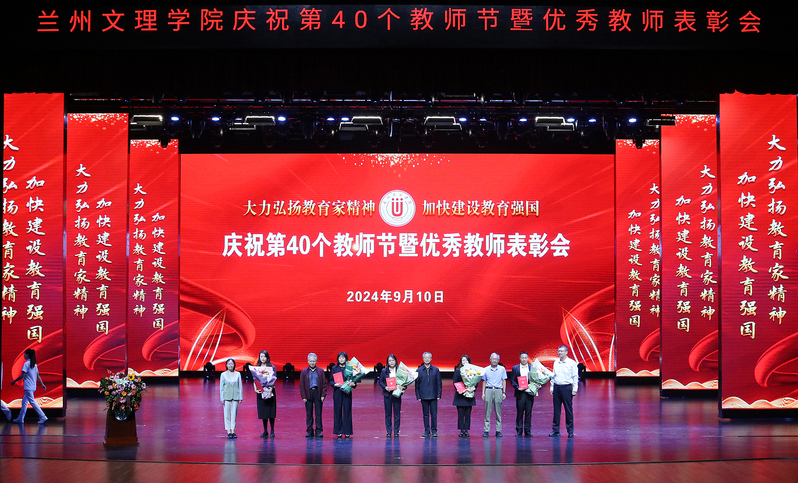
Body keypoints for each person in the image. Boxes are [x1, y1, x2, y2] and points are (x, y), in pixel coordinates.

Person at [10, 349, 48, 424]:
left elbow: (23, 375)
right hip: (33, 386)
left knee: (32, 402)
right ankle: (20, 418)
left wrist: (14, 381)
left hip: (28, 386)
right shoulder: (34, 364)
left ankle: (43, 416)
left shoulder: (26, 364)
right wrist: (42, 384)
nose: (24, 355)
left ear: (27, 355)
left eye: (25, 354)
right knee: (24, 402)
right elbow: (38, 376)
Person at [549, 345, 579, 438]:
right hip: (557, 387)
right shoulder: (556, 362)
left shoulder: (572, 363)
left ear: (566, 352)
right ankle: (556, 431)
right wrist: (552, 387)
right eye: (559, 351)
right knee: (556, 410)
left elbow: (575, 376)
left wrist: (575, 389)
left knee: (568, 410)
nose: (560, 353)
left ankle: (570, 431)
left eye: (562, 351)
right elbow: (554, 375)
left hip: (566, 388)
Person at [299, 352, 327, 438]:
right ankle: (309, 430)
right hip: (308, 393)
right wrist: (303, 396)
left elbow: (324, 384)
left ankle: (318, 430)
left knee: (318, 413)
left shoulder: (320, 371)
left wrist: (323, 395)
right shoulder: (304, 372)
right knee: (309, 413)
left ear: (316, 361)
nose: (312, 363)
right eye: (311, 361)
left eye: (314, 361)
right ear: (308, 361)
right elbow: (302, 385)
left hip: (318, 392)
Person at [378, 354, 406, 437]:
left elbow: (404, 382)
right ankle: (389, 431)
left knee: (397, 414)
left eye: (393, 360)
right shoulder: (384, 371)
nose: (391, 362)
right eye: (390, 360)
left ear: (395, 361)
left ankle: (396, 431)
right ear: (387, 362)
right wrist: (385, 387)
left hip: (397, 394)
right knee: (388, 414)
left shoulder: (400, 371)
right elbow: (381, 381)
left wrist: (403, 387)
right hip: (388, 394)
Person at [415, 351, 441, 437]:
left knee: (434, 415)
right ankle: (427, 431)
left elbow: (439, 383)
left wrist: (438, 395)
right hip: (423, 396)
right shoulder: (419, 371)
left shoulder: (436, 370)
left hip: (434, 395)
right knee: (425, 415)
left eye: (428, 357)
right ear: (423, 359)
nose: (427, 359)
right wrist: (418, 396)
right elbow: (417, 385)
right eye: (425, 358)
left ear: (431, 359)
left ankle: (434, 431)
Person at [330, 351, 355, 438]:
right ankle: (339, 431)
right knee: (337, 411)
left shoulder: (350, 368)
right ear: (337, 359)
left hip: (347, 392)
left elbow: (354, 380)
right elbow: (330, 380)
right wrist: (335, 384)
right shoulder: (334, 368)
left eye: (343, 358)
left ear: (346, 359)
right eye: (340, 358)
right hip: (338, 392)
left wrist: (353, 384)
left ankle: (347, 431)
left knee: (347, 411)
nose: (341, 359)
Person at [510, 351, 535, 437]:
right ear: (520, 358)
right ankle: (519, 430)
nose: (524, 359)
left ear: (527, 358)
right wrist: (517, 387)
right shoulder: (515, 368)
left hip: (529, 393)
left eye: (525, 358)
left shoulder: (532, 368)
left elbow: (535, 380)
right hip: (520, 393)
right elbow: (512, 380)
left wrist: (537, 386)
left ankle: (528, 430)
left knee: (528, 413)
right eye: (522, 357)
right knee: (519, 412)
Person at [481, 352, 507, 437]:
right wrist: (483, 393)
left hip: (498, 390)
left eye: (496, 359)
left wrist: (504, 392)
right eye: (493, 359)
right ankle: (486, 430)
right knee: (487, 411)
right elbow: (484, 381)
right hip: (488, 390)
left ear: (498, 360)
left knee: (498, 411)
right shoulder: (486, 369)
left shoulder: (502, 369)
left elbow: (504, 380)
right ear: (490, 359)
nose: (494, 360)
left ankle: (498, 430)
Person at [253, 350, 277, 438]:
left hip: (270, 391)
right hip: (261, 391)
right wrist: (256, 388)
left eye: (264, 356)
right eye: (261, 356)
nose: (263, 358)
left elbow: (274, 378)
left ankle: (272, 430)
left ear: (267, 357)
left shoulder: (272, 367)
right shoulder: (257, 368)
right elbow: (255, 379)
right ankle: (265, 430)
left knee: (271, 411)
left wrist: (270, 390)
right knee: (263, 412)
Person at [453, 355, 476, 437]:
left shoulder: (472, 371)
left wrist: (473, 388)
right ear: (461, 362)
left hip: (469, 395)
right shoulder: (458, 370)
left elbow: (475, 382)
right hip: (460, 395)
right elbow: (455, 382)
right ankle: (461, 430)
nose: (465, 362)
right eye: (463, 360)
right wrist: (460, 389)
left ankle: (466, 430)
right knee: (460, 414)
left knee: (467, 414)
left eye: (466, 360)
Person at [220, 358, 243, 439]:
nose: (230, 365)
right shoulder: (223, 374)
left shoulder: (238, 374)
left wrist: (240, 397)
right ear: (226, 365)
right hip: (227, 397)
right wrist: (222, 398)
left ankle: (233, 430)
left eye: (232, 364)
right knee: (227, 415)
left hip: (235, 397)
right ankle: (228, 431)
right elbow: (221, 387)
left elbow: (240, 386)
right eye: (229, 364)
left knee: (234, 415)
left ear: (234, 365)